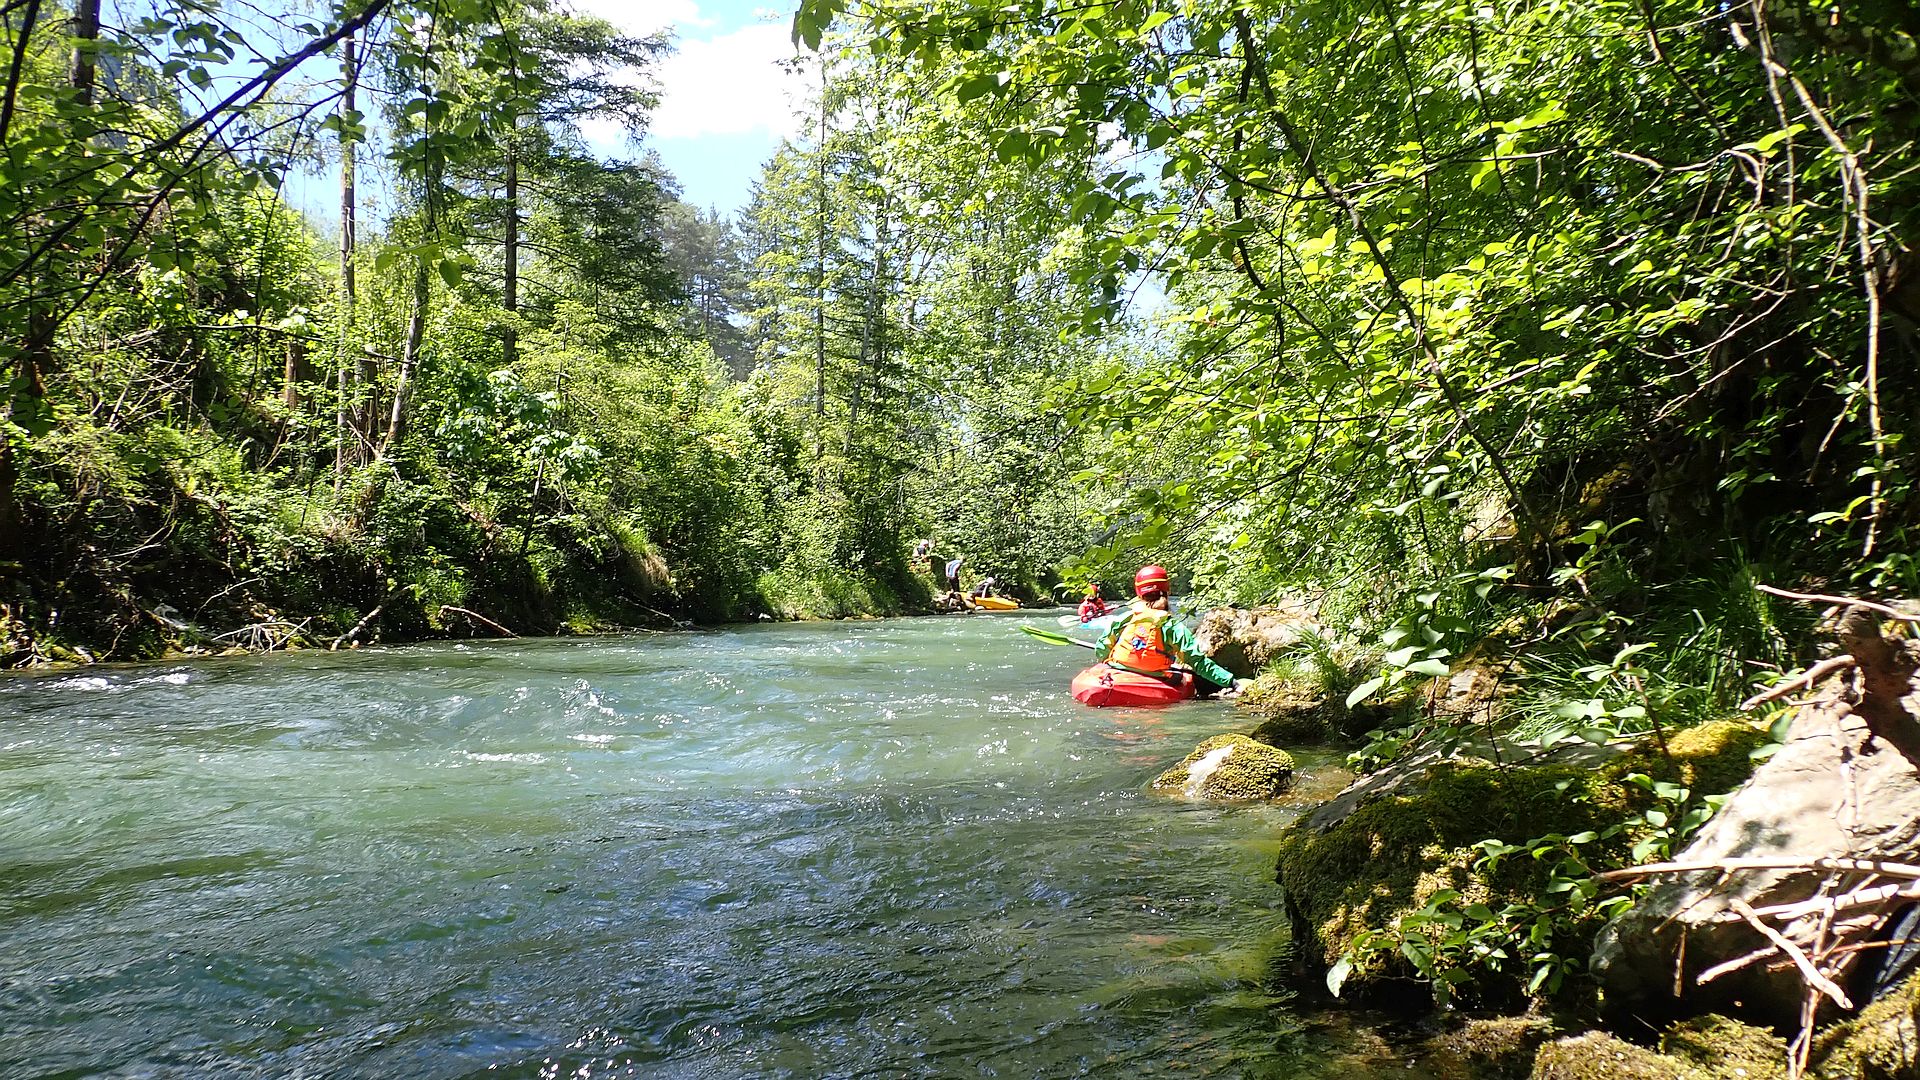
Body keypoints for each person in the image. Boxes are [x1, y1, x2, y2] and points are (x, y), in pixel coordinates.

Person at [1096, 565, 1251, 698]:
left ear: (1138, 592)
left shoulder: (1124, 618)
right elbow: (1198, 662)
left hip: (1118, 671)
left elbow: (1102, 647)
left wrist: (1106, 665)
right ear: (1167, 591)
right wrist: (1232, 682)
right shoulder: (1172, 627)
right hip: (1156, 677)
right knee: (1184, 678)